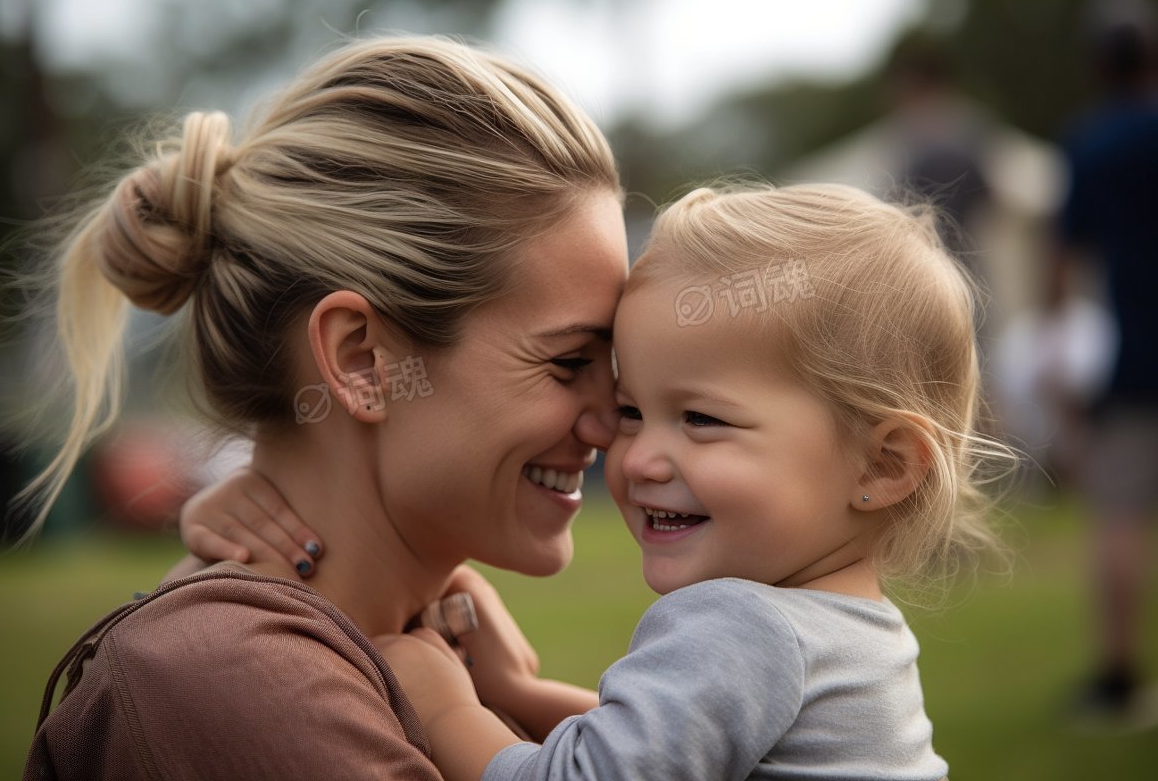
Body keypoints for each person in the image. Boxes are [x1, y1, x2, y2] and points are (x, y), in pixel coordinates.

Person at [191, 183, 1011, 779]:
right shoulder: (848, 630)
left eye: (701, 420)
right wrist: (515, 690)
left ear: (884, 464)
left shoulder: (744, 627)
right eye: (631, 411)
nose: (635, 457)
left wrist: (444, 708)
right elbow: (670, 752)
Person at [21, 34, 628, 780]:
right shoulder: (226, 679)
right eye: (570, 362)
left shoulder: (412, 651)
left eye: (615, 363)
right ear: (361, 360)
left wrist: (511, 701)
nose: (614, 420)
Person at [1051, 0, 1158, 727]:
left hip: (1131, 355)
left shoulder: (1090, 143)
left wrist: (1056, 345)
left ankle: (1120, 680)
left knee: (1120, 517)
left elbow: (1066, 261)